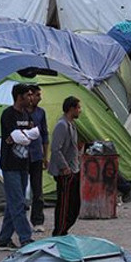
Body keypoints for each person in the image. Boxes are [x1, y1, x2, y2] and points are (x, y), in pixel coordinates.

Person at [0, 83, 36, 251]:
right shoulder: (8, 114)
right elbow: (19, 137)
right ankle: (25, 238)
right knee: (18, 202)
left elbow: (34, 134)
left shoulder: (27, 114)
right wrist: (24, 136)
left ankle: (3, 240)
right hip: (10, 164)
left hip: (23, 163)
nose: (31, 98)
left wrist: (24, 136)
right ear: (19, 97)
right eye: (28, 95)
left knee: (13, 203)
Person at [49, 96, 82, 236]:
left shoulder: (71, 125)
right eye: (78, 108)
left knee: (74, 204)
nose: (80, 111)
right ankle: (59, 231)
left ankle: (65, 229)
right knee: (64, 205)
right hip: (65, 173)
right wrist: (64, 167)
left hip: (74, 169)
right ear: (71, 108)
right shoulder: (62, 125)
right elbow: (55, 148)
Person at [26, 84, 49, 233]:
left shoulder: (40, 113)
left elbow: (44, 135)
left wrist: (45, 156)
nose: (39, 98)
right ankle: (20, 221)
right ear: (30, 96)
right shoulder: (19, 112)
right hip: (21, 157)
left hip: (36, 156)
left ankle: (38, 220)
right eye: (37, 95)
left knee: (38, 191)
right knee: (20, 191)